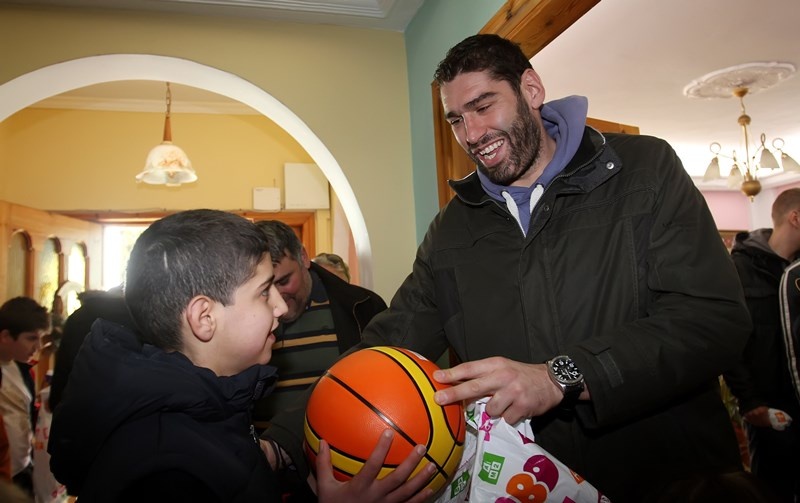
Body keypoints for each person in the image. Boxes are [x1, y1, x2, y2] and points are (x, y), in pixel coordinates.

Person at [264, 34, 752, 503]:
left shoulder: (644, 170)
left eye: (483, 106)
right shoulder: (451, 230)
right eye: (457, 119)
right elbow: (386, 346)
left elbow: (714, 320)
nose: (471, 135)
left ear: (531, 90)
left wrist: (560, 376)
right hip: (530, 487)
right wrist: (279, 444)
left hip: (671, 480)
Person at [47, 209, 434, 503]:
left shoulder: (210, 405)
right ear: (204, 318)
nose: (280, 306)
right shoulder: (166, 467)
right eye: (264, 292)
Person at [253, 221, 387, 501]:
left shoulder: (361, 307)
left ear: (303, 257)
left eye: (284, 281)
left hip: (347, 475)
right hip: (264, 475)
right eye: (265, 288)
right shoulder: (245, 315)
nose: (278, 300)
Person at [723, 188, 800, 502]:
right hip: (768, 409)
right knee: (771, 490)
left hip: (799, 397)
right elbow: (729, 341)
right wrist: (749, 399)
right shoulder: (738, 270)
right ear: (795, 218)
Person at [48, 287, 136, 412]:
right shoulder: (133, 318)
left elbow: (63, 369)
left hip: (78, 406)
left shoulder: (77, 318)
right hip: (123, 406)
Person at [0, 297, 49, 497]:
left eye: (40, 338)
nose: (38, 347)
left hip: (22, 467)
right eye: (31, 338)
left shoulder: (21, 367)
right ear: (5, 336)